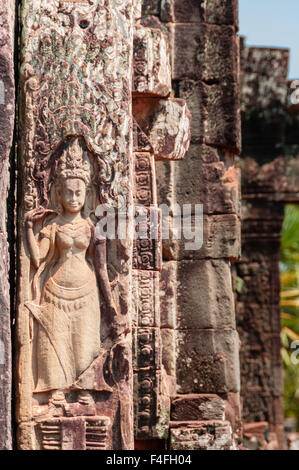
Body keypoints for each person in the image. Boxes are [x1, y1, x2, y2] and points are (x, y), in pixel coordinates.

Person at [25, 138, 119, 404]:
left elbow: (101, 267)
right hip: (55, 290)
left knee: (85, 342)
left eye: (78, 193)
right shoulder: (53, 225)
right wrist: (29, 230)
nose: (73, 198)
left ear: (87, 193)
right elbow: (37, 259)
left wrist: (111, 305)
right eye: (68, 193)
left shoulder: (93, 226)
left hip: (87, 291)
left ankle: (84, 389)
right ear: (58, 193)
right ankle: (55, 390)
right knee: (55, 341)